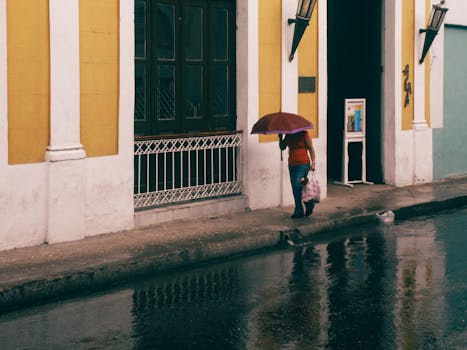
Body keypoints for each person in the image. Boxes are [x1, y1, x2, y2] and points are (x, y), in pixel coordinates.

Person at [279, 131, 316, 218]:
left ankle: (308, 203)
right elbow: (282, 147)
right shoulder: (288, 135)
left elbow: (311, 148)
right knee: (295, 188)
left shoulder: (304, 134)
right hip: (292, 164)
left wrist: (313, 163)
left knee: (297, 185)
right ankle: (298, 210)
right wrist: (280, 138)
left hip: (303, 164)